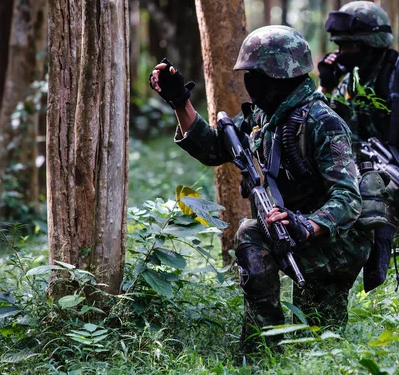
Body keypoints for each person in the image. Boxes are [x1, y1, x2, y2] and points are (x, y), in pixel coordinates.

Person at [149, 25, 372, 351]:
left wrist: (307, 226)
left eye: (257, 73)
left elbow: (349, 199)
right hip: (284, 233)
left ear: (281, 74)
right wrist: (180, 101)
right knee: (250, 233)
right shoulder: (263, 118)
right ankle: (262, 347)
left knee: (321, 344)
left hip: (334, 242)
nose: (250, 81)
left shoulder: (323, 121)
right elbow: (213, 148)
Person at [317, 0, 399, 291]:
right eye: (339, 46)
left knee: (375, 198)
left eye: (350, 47)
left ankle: (380, 288)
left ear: (371, 45)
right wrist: (325, 88)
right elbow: (319, 128)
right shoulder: (347, 87)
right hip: (362, 179)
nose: (342, 54)